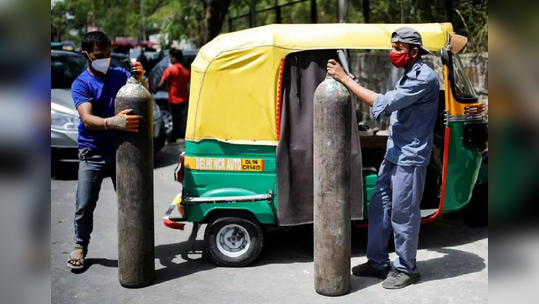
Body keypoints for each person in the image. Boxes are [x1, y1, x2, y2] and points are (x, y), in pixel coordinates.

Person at [327, 27, 440, 289]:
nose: (393, 53)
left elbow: (384, 104)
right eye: (392, 47)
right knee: (379, 208)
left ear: (413, 51)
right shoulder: (407, 74)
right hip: (394, 152)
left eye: (398, 48)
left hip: (409, 157)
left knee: (403, 215)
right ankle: (378, 262)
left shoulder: (424, 78)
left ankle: (407, 268)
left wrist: (346, 80)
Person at [67, 31, 147, 269]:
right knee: (85, 203)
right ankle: (80, 246)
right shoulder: (82, 83)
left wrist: (140, 78)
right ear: (86, 55)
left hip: (123, 151)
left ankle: (138, 245)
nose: (106, 59)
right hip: (93, 152)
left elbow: (140, 95)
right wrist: (112, 122)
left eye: (109, 54)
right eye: (99, 55)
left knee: (133, 200)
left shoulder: (120, 75)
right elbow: (87, 118)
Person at [154, 48, 190, 141]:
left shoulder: (170, 70)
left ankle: (173, 137)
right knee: (182, 118)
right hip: (184, 99)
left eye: (171, 57)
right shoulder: (186, 71)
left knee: (174, 118)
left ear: (174, 58)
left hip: (173, 99)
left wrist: (155, 89)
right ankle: (182, 135)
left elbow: (161, 84)